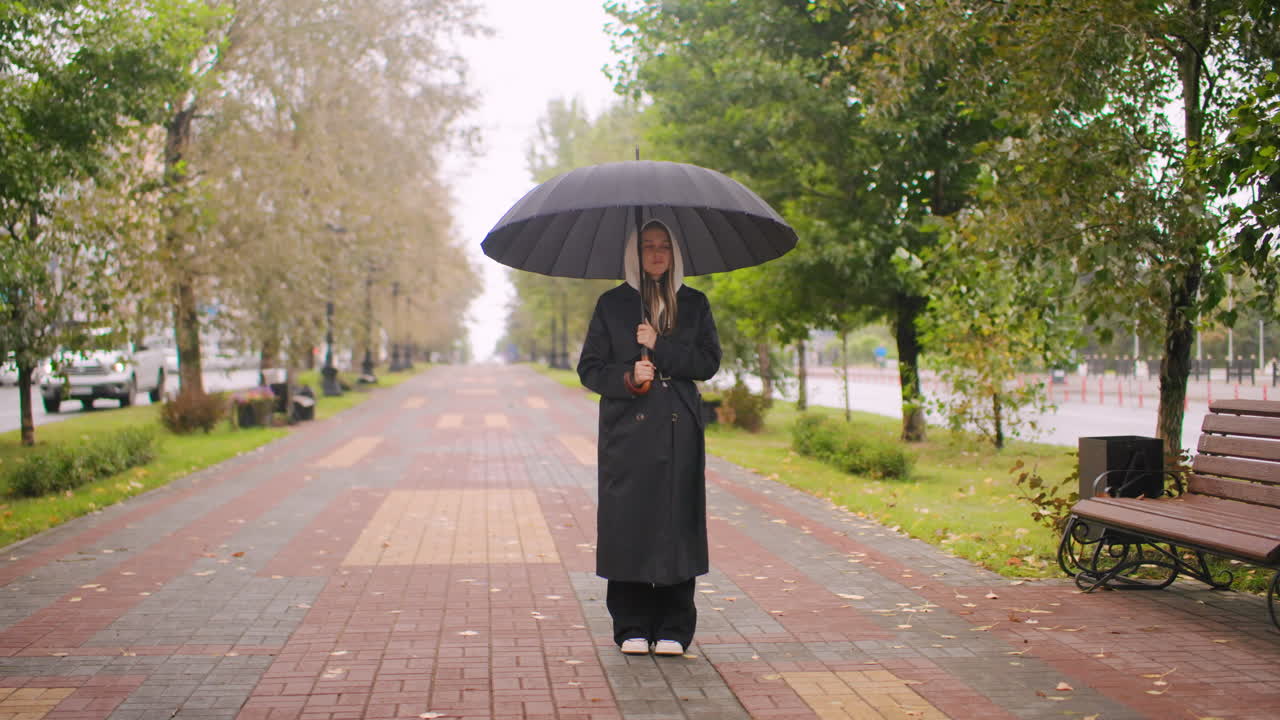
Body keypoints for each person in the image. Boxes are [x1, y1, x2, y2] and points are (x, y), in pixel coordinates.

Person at [577, 218, 722, 657]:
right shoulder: (613, 304)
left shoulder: (694, 304)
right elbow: (589, 368)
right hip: (628, 433)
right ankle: (632, 624)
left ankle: (675, 626)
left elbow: (707, 362)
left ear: (674, 254)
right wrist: (628, 377)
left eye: (664, 247)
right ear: (634, 255)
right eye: (647, 247)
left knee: (677, 520)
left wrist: (660, 346)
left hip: (680, 431)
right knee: (629, 522)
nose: (656, 254)